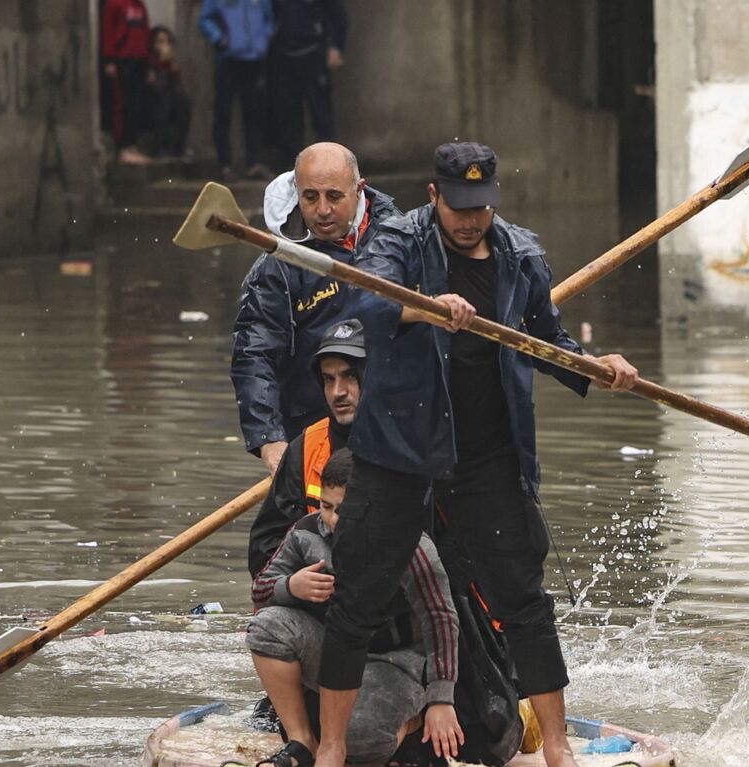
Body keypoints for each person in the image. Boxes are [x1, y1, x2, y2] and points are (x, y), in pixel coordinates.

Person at [309, 142, 639, 767]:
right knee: (358, 594)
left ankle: (559, 747)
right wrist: (421, 308)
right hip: (400, 448)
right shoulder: (398, 240)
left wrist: (597, 367)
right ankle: (329, 748)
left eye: (481, 208)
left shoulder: (522, 255)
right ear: (434, 197)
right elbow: (359, 309)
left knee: (523, 598)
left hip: (488, 451)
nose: (469, 221)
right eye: (458, 208)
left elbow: (547, 339)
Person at [247, 449, 462, 767]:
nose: (333, 521)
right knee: (266, 626)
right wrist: (291, 586)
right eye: (326, 507)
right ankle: (301, 741)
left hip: (397, 664)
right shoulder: (306, 531)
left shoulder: (409, 543)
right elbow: (260, 591)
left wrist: (441, 697)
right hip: (333, 651)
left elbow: (441, 618)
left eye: (344, 511)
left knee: (358, 744)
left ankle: (410, 722)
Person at [230, 143, 398, 475]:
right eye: (310, 197)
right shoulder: (277, 266)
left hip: (393, 425)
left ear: (358, 189)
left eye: (334, 197)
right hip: (314, 431)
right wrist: (268, 438)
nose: (322, 211)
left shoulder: (400, 240)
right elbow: (255, 353)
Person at [248, 318, 363, 579]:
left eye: (350, 376)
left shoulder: (411, 444)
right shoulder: (307, 446)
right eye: (328, 379)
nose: (338, 392)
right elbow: (264, 550)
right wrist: (292, 585)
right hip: (319, 596)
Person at [199, 0, 274, 179]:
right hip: (228, 60)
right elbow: (205, 20)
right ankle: (225, 165)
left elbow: (269, 18)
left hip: (255, 59)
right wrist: (219, 38)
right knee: (223, 112)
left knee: (254, 112)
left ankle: (253, 163)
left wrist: (265, 38)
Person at [267, 0, 346, 164]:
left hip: (314, 53)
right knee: (287, 115)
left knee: (321, 114)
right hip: (283, 54)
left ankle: (329, 165)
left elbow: (338, 16)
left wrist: (335, 47)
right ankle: (291, 169)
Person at [100, 0, 154, 165]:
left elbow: (146, 34)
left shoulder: (140, 6)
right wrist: (109, 59)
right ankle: (124, 146)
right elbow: (108, 32)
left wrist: (149, 64)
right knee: (123, 103)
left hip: (140, 60)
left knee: (136, 104)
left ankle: (133, 145)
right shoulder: (114, 4)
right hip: (123, 59)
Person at [142, 26, 190, 160]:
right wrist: (161, 64)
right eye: (160, 41)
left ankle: (179, 148)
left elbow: (177, 85)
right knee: (163, 102)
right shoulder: (149, 59)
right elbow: (153, 85)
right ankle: (160, 148)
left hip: (169, 96)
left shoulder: (170, 60)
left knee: (184, 102)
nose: (164, 45)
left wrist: (171, 65)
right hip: (152, 99)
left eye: (166, 41)